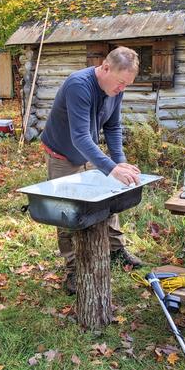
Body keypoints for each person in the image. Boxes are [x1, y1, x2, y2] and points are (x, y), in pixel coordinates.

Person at [40, 46, 143, 295]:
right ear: (105, 68)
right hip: (64, 155)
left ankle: (116, 250)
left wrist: (119, 162)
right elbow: (79, 137)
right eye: (121, 82)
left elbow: (113, 127)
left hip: (89, 153)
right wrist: (110, 168)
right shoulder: (79, 85)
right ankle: (74, 269)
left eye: (127, 84)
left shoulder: (115, 89)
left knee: (110, 200)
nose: (122, 89)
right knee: (66, 211)